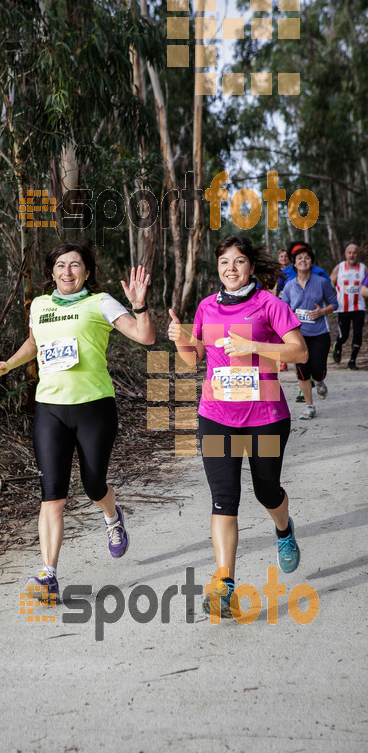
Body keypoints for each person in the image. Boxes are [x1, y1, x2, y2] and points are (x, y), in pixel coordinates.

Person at [0, 242, 154, 601]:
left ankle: (112, 516)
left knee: (94, 484)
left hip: (94, 406)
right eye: (61, 265)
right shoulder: (40, 305)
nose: (67, 272)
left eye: (75, 265)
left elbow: (145, 336)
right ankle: (48, 575)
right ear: (52, 271)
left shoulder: (100, 303)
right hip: (50, 408)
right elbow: (35, 343)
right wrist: (10, 363)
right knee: (52, 496)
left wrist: (139, 305)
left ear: (87, 272)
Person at [168, 235, 308, 619]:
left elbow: (299, 350)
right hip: (215, 418)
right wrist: (181, 339)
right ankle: (224, 585)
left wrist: (255, 348)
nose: (231, 268)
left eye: (239, 261)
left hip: (265, 419)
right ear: (217, 267)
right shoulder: (206, 307)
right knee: (223, 498)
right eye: (224, 261)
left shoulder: (269, 304)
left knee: (266, 491)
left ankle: (283, 529)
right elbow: (193, 359)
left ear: (250, 266)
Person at [281, 243, 338, 419]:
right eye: (300, 258)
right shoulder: (289, 286)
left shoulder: (321, 282)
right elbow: (283, 309)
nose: (303, 260)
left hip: (320, 333)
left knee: (318, 368)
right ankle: (309, 406)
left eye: (306, 257)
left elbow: (334, 304)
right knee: (303, 370)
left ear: (311, 261)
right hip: (298, 335)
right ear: (294, 263)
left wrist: (321, 312)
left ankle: (319, 381)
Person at [330, 244, 367, 370]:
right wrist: (331, 298)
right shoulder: (339, 267)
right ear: (346, 254)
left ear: (358, 254)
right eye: (349, 252)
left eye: (354, 252)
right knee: (343, 336)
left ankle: (352, 361)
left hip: (359, 306)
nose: (352, 255)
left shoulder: (363, 268)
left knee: (357, 333)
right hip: (343, 307)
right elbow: (330, 283)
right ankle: (338, 346)